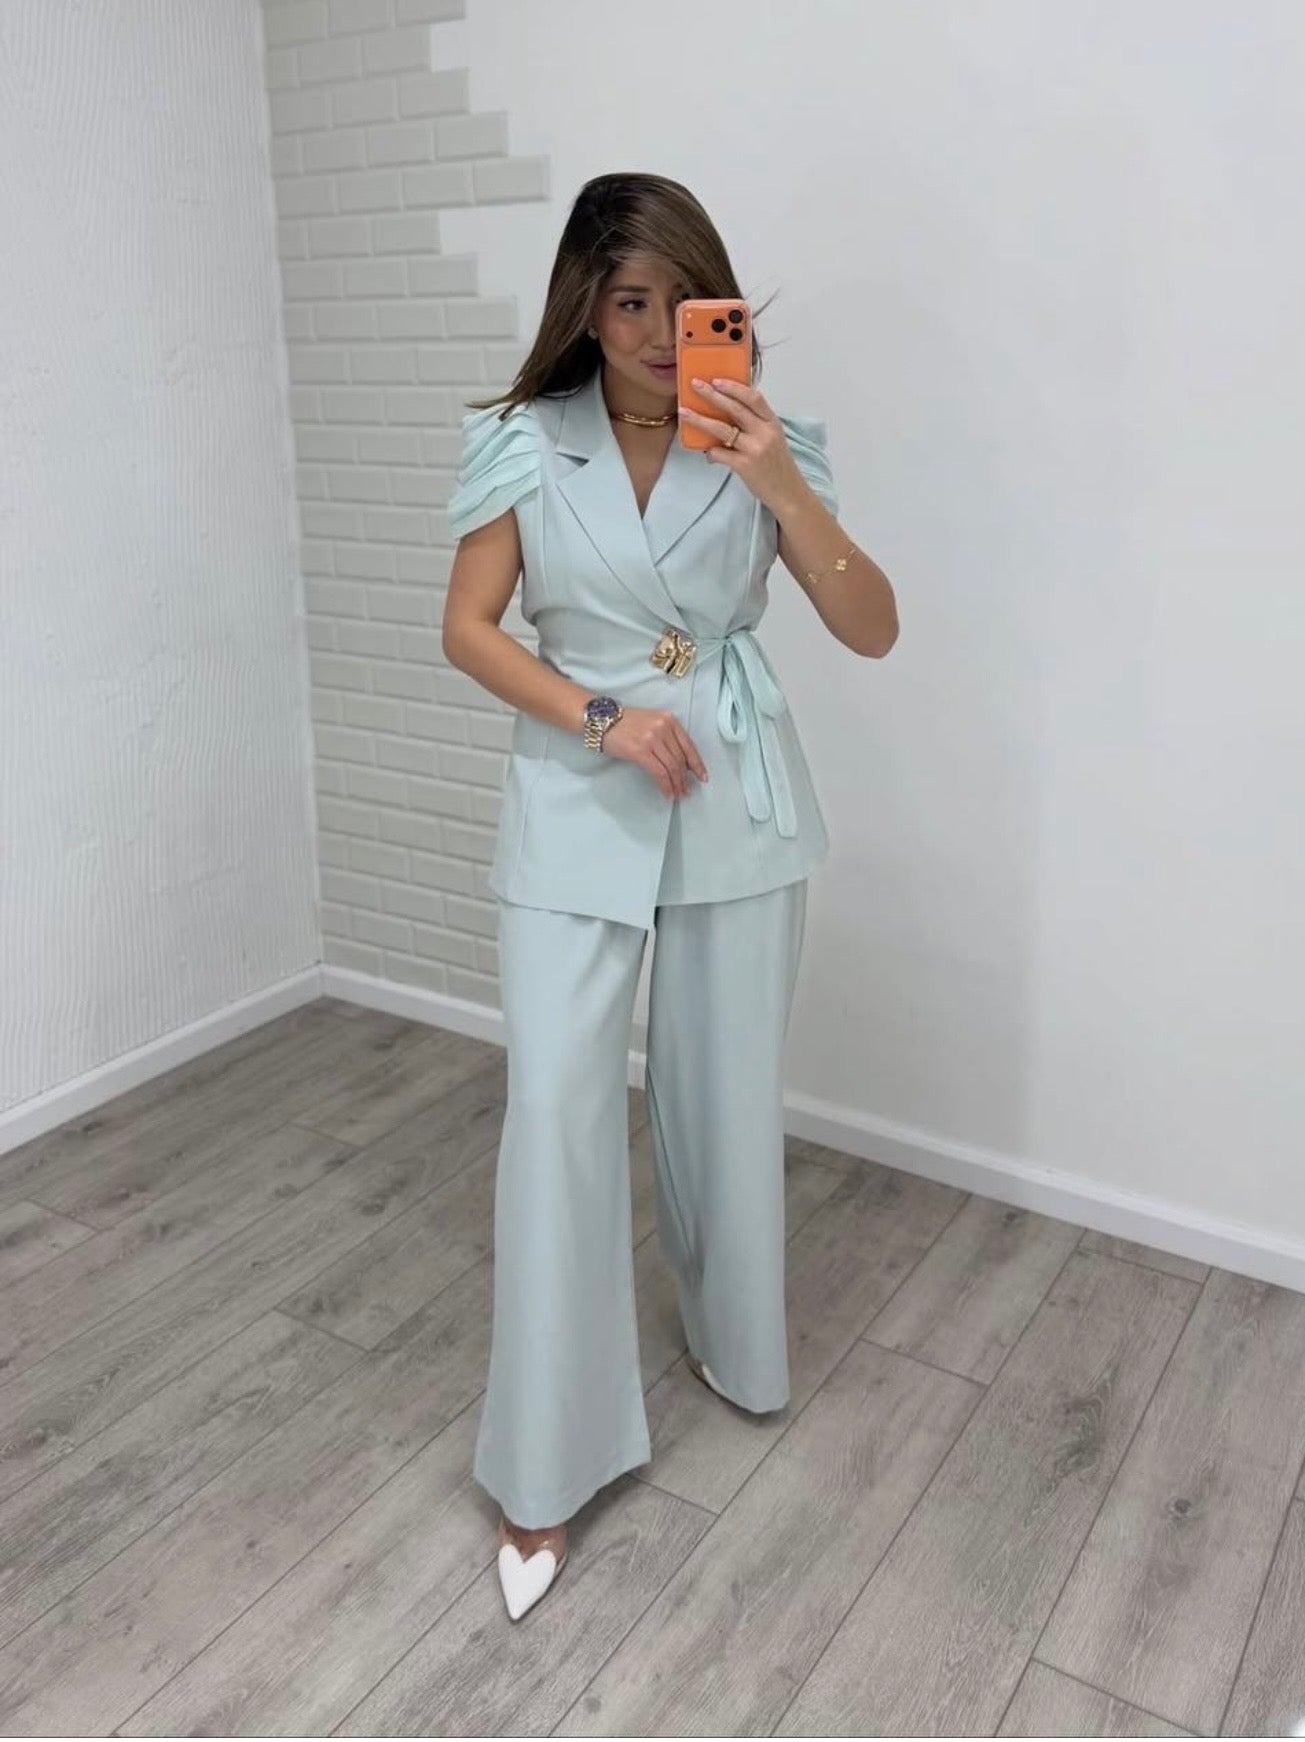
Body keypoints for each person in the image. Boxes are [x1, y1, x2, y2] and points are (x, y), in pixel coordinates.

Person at [441, 171, 899, 1621]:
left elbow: (873, 627)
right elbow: (469, 627)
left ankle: (731, 1339)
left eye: (681, 301)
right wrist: (600, 717)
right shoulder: (526, 441)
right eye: (626, 301)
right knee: (556, 1111)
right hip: (582, 785)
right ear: (585, 305)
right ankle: (543, 1464)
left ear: (722, 308)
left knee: (720, 1095)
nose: (651, 332)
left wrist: (777, 482)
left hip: (732, 790)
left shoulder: (766, 442)